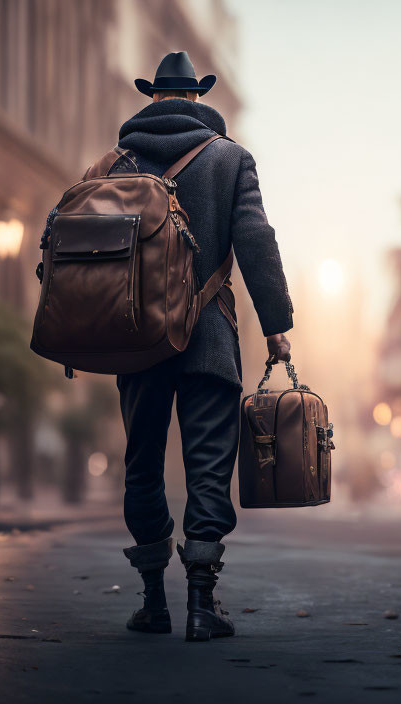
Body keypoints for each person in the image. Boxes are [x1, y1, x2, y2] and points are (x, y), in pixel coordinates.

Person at [114, 51, 293, 642]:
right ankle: (201, 604)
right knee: (209, 468)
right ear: (197, 98)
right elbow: (255, 241)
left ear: (152, 98)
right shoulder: (230, 159)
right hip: (209, 340)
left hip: (137, 341)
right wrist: (277, 325)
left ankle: (152, 603)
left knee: (142, 464)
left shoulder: (118, 163)